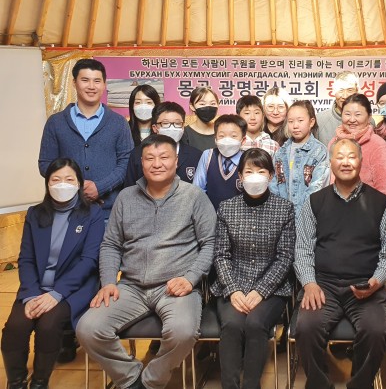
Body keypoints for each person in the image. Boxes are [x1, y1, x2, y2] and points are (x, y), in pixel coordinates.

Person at [76, 134, 216, 389]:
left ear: (176, 161)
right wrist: (108, 282)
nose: (157, 163)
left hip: (176, 286)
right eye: (150, 158)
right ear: (141, 163)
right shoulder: (126, 197)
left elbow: (210, 243)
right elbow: (111, 244)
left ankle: (152, 381)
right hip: (131, 286)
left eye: (164, 157)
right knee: (88, 329)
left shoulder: (194, 196)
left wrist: (190, 278)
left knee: (183, 332)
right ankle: (130, 378)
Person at [294, 138, 386, 389]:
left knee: (376, 332)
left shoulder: (381, 203)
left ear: (361, 162)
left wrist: (376, 282)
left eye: (352, 157)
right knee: (306, 328)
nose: (346, 162)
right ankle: (320, 385)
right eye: (340, 157)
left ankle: (360, 384)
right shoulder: (314, 202)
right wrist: (309, 284)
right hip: (324, 286)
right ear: (331, 162)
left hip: (366, 286)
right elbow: (303, 249)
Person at [1, 158, 104, 389]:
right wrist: (30, 294)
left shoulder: (92, 214)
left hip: (72, 289)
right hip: (35, 287)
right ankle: (16, 382)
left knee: (48, 325)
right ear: (47, 184)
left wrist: (57, 294)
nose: (62, 184)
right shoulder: (35, 214)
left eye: (69, 179)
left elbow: (89, 261)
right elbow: (26, 259)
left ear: (79, 184)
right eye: (56, 179)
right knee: (15, 327)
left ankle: (40, 382)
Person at [212, 148, 295, 389]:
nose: (255, 177)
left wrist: (261, 291)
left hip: (271, 289)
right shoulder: (227, 208)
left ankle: (251, 384)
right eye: (249, 172)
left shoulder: (284, 208)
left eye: (261, 171)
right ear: (240, 177)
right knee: (232, 325)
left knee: (256, 324)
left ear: (271, 176)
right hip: (233, 284)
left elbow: (285, 257)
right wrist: (233, 289)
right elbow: (221, 255)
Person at [38, 58, 134, 221]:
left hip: (108, 214)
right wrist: (75, 187)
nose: (91, 86)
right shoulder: (55, 122)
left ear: (104, 85)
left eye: (97, 81)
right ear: (74, 83)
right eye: (85, 80)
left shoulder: (119, 123)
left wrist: (99, 187)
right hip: (65, 212)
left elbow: (126, 163)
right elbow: (45, 164)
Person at [269, 100, 330, 216]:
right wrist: (282, 211)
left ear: (311, 122)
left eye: (300, 120)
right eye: (290, 121)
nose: (295, 126)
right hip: (282, 215)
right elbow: (273, 183)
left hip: (309, 215)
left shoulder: (319, 151)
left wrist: (298, 213)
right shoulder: (281, 152)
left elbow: (318, 187)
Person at [329, 93, 386, 199]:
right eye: (347, 114)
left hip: (368, 206)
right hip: (334, 205)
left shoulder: (378, 145)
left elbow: (385, 191)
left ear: (369, 117)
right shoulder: (333, 143)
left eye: (358, 114)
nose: (352, 119)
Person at [124, 101, 202, 187]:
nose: (172, 128)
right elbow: (130, 188)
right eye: (165, 123)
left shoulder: (196, 155)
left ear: (183, 127)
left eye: (177, 123)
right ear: (155, 128)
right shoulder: (138, 153)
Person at [193, 114, 247, 211]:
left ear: (243, 140)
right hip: (210, 214)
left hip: (240, 215)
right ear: (215, 139)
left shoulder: (248, 159)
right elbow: (197, 190)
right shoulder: (208, 155)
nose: (227, 140)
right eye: (221, 136)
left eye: (233, 136)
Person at [315, 71, 359, 145]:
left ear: (357, 91)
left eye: (350, 90)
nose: (345, 96)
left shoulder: (368, 121)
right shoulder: (319, 121)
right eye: (340, 90)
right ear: (334, 92)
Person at [181, 86, 219, 152]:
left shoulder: (222, 130)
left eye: (213, 103)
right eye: (202, 104)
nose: (208, 107)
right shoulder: (185, 133)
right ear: (192, 106)